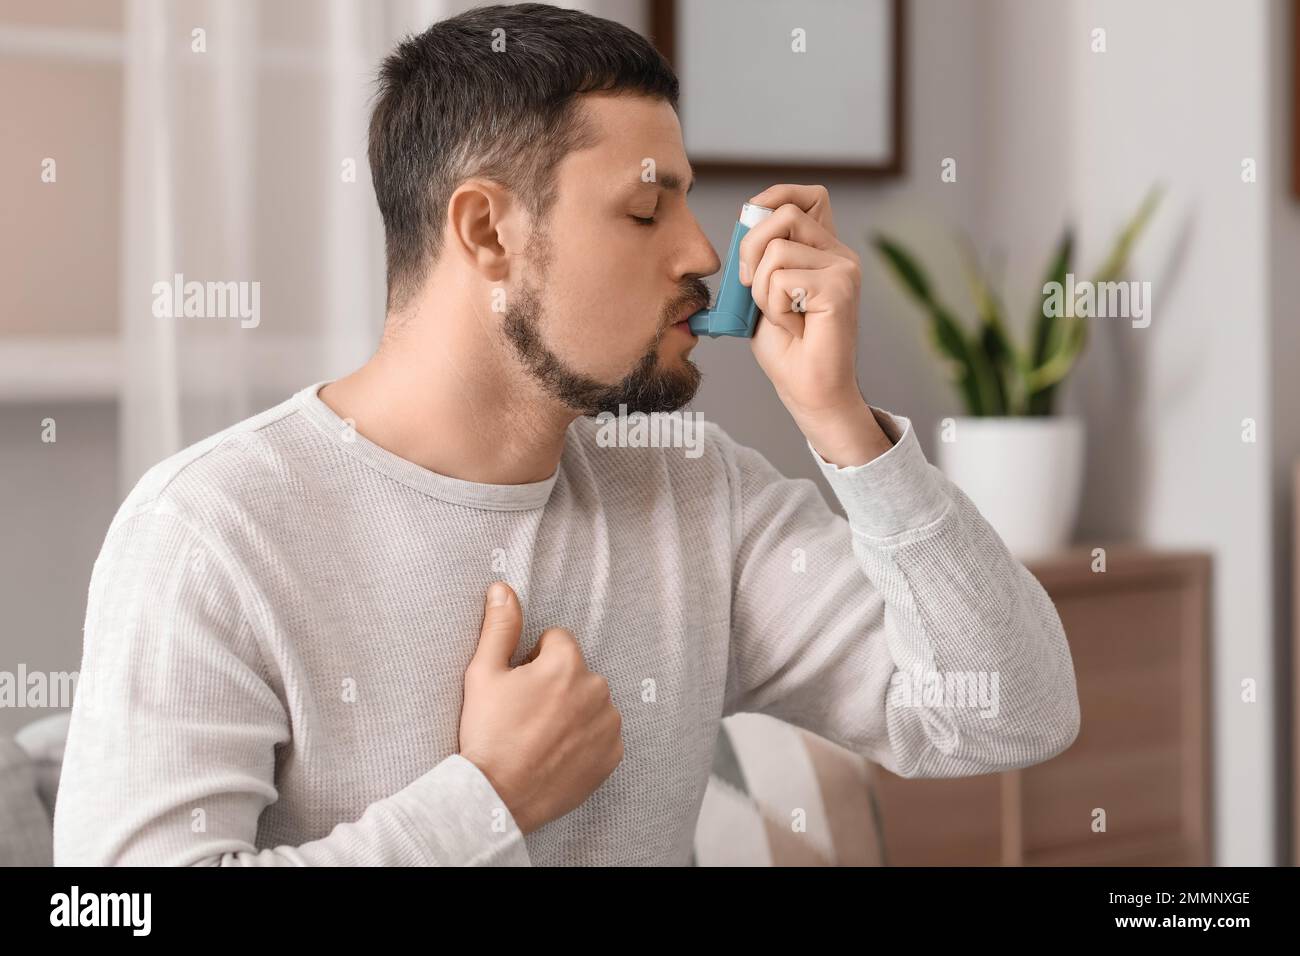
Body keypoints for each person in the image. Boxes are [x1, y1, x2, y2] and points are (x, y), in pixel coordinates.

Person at [54, 3, 1080, 866]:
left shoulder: (690, 489)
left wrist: (842, 424)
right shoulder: (212, 531)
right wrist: (486, 799)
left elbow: (1008, 712)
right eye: (645, 213)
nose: (699, 256)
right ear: (487, 231)